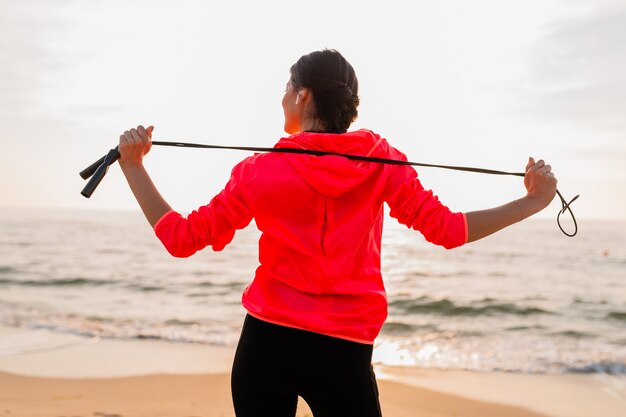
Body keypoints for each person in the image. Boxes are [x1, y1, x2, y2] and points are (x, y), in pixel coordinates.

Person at [117, 49, 557, 417]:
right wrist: (533, 202)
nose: (283, 97)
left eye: (288, 87)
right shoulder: (383, 163)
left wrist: (133, 167)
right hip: (343, 352)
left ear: (303, 94)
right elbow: (448, 229)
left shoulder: (259, 170)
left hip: (266, 346)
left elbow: (182, 238)